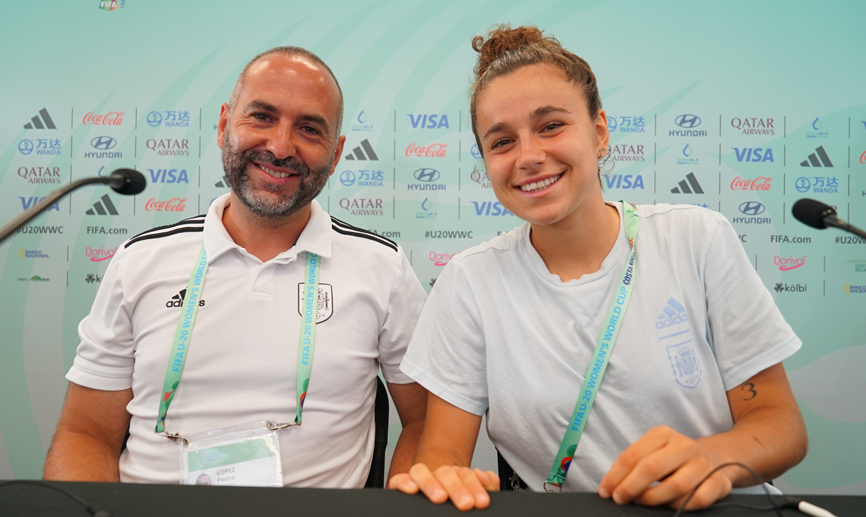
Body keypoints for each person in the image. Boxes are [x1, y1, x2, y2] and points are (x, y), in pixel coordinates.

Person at [389, 25, 807, 511]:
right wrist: (444, 484)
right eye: (501, 141)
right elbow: (443, 456)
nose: (528, 156)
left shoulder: (696, 238)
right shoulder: (469, 281)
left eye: (551, 126)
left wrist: (712, 456)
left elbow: (781, 425)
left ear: (600, 131)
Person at [43, 46, 429, 487]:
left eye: (308, 128)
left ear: (336, 153)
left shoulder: (383, 267)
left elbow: (426, 425)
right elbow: (86, 432)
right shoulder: (140, 261)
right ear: (225, 124)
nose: (281, 146)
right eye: (262, 117)